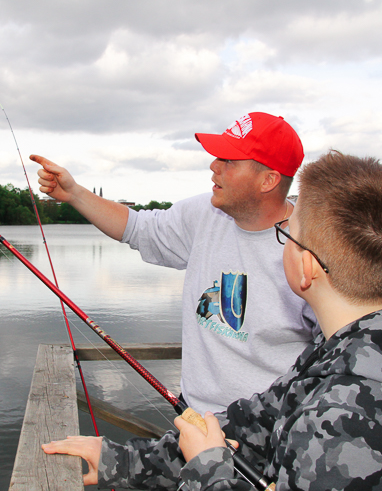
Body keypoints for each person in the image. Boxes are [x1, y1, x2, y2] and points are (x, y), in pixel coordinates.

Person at [42, 151, 382, 491]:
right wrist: (119, 461)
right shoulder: (343, 359)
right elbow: (251, 428)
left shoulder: (352, 425)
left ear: (305, 266)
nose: (281, 244)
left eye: (288, 236)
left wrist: (210, 469)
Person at [30, 112, 319, 414]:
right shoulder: (204, 214)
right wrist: (75, 194)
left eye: (229, 160)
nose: (213, 165)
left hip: (269, 435)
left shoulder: (314, 249)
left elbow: (335, 355)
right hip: (193, 417)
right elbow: (138, 228)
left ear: (268, 180)